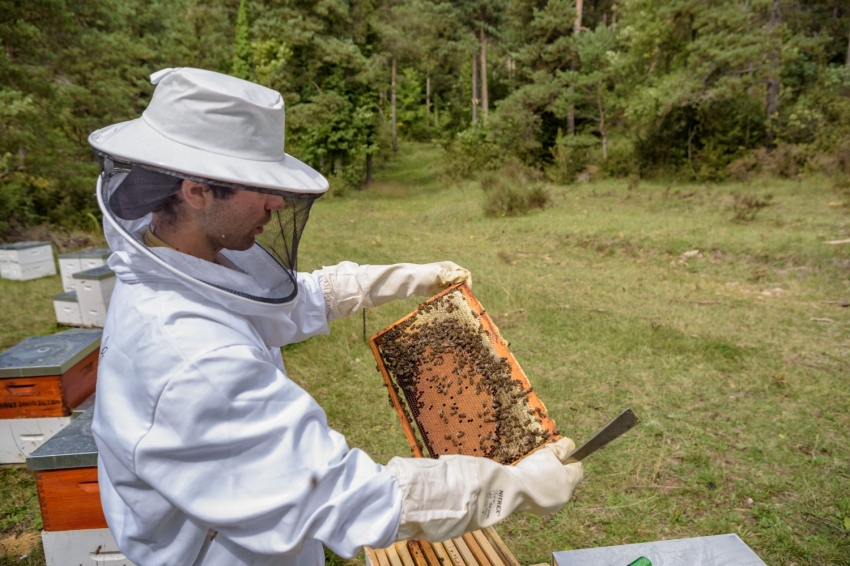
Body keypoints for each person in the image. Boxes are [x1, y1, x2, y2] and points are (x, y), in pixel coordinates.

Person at [89, 67, 583, 566]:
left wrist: (401, 278)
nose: (277, 201)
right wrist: (511, 486)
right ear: (196, 191)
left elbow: (283, 299)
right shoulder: (191, 358)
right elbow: (344, 497)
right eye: (256, 185)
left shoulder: (182, 265)